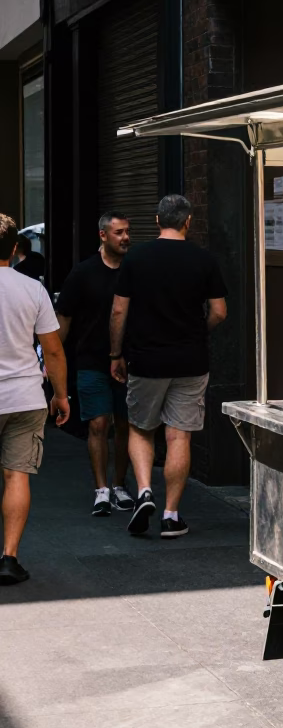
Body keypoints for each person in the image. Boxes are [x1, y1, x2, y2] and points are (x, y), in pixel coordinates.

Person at [109, 195, 227, 540]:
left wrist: (116, 353)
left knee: (141, 429)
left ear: (157, 220)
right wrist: (196, 332)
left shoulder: (136, 258)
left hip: (146, 359)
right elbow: (219, 312)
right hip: (191, 360)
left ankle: (144, 491)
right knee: (178, 435)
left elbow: (118, 311)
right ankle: (171, 515)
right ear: (188, 222)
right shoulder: (204, 259)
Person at [0, 214, 70, 584]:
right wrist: (61, 396)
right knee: (16, 476)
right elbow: (54, 352)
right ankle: (9, 558)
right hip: (25, 397)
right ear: (15, 249)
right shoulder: (33, 289)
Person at [56, 212, 134, 516]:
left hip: (128, 362)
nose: (126, 237)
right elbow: (64, 318)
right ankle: (101, 490)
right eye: (119, 232)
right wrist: (50, 355)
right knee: (99, 424)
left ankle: (119, 485)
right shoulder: (83, 273)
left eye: (127, 231)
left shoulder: (133, 270)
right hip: (90, 359)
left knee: (125, 425)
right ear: (103, 235)